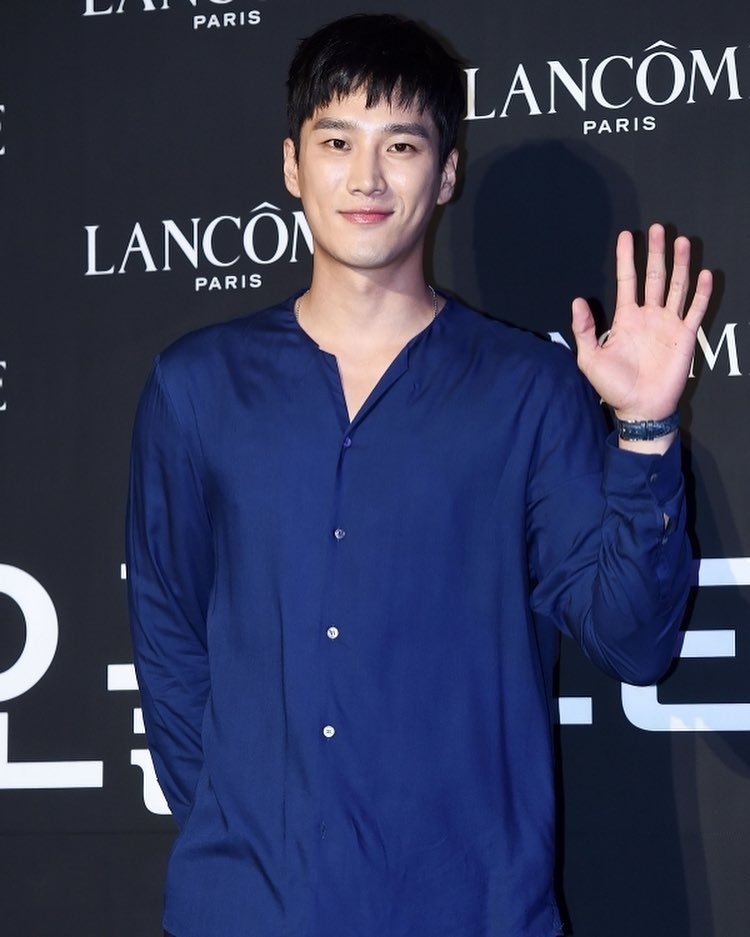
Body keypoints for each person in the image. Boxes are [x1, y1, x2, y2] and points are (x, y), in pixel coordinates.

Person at [126, 13, 713, 937]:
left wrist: (643, 431)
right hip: (246, 909)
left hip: (473, 908)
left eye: (400, 144)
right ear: (292, 165)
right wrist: (241, 838)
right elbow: (169, 640)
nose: (366, 177)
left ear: (444, 174)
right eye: (336, 142)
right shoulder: (197, 386)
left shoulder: (528, 389)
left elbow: (635, 643)